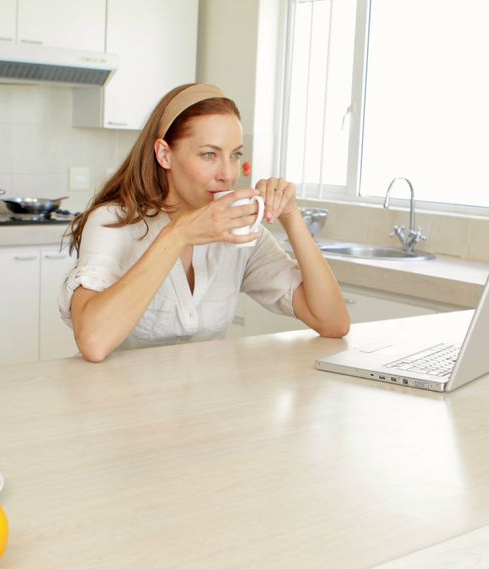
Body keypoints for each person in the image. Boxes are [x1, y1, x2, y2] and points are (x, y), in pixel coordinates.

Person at [62, 83, 350, 362]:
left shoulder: (242, 235)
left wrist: (291, 216)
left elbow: (333, 323)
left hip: (201, 405)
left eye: (235, 154)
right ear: (164, 154)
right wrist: (178, 235)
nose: (228, 174)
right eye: (209, 154)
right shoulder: (113, 222)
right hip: (111, 404)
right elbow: (93, 342)